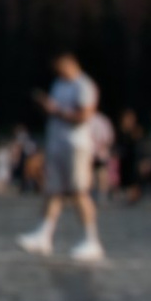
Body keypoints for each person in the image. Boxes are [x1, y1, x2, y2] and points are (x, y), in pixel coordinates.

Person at [19, 52, 106, 263]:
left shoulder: (84, 85)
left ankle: (91, 240)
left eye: (61, 68)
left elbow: (84, 115)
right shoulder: (59, 84)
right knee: (53, 190)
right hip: (57, 143)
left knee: (78, 191)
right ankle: (44, 235)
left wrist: (56, 110)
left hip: (76, 145)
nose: (59, 72)